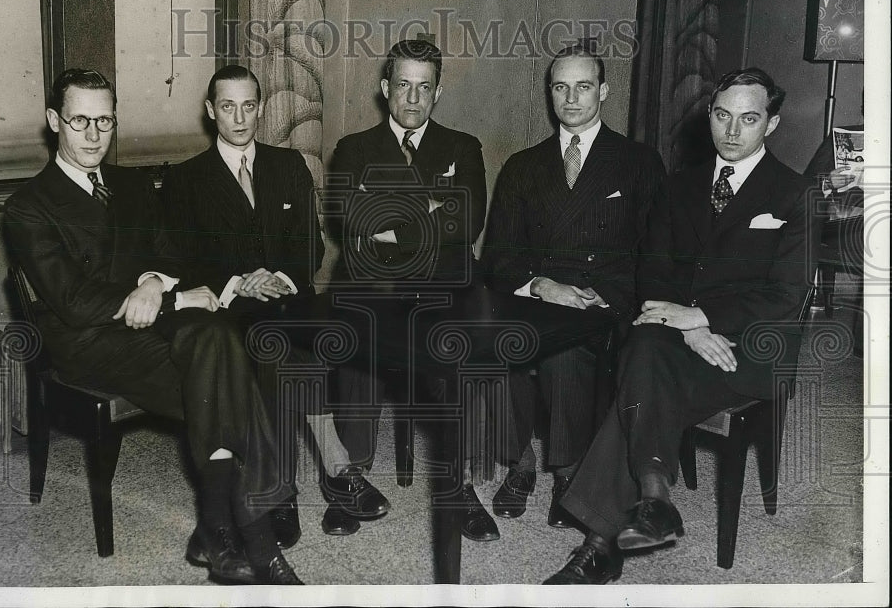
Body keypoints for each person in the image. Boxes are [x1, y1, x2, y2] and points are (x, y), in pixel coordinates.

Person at [4, 68, 302, 585]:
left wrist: (152, 282)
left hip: (152, 323)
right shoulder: (28, 205)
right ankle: (255, 536)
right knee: (228, 378)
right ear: (55, 122)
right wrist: (166, 300)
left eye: (105, 121)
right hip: (89, 343)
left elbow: (168, 255)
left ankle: (215, 527)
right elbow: (74, 301)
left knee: (219, 341)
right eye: (80, 121)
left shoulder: (131, 183)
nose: (95, 135)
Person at [545, 67, 813, 584]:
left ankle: (622, 523)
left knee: (641, 366)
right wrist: (688, 326)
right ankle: (646, 504)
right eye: (721, 116)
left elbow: (785, 295)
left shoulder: (793, 194)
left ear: (772, 125)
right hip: (675, 334)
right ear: (709, 116)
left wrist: (702, 319)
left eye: (749, 119)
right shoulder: (679, 185)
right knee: (646, 344)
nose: (732, 131)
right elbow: (655, 270)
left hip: (748, 347)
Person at [160, 64, 386, 542]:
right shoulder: (186, 179)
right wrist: (239, 282)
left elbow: (310, 247)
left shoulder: (289, 165)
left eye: (248, 106)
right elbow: (182, 258)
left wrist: (277, 276)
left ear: (260, 108)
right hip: (229, 309)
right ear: (210, 111)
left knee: (347, 331)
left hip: (288, 297)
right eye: (227, 107)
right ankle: (331, 471)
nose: (239, 118)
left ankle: (290, 489)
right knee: (279, 348)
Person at [481, 44, 665, 528]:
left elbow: (657, 254)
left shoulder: (639, 162)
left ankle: (567, 470)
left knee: (566, 348)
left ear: (603, 91)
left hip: (602, 299)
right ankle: (519, 462)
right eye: (560, 87)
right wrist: (540, 284)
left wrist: (609, 296)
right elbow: (498, 254)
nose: (571, 98)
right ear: (549, 93)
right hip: (540, 294)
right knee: (501, 339)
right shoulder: (523, 165)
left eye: (583, 87)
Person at [327, 39, 491, 538]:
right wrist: (431, 210)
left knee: (465, 340)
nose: (413, 99)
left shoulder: (463, 147)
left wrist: (390, 222)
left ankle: (459, 484)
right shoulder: (353, 149)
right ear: (385, 88)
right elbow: (346, 223)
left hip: (444, 287)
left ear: (438, 92)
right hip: (373, 284)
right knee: (358, 330)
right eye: (403, 85)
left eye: (424, 88)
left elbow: (469, 221)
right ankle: (348, 476)